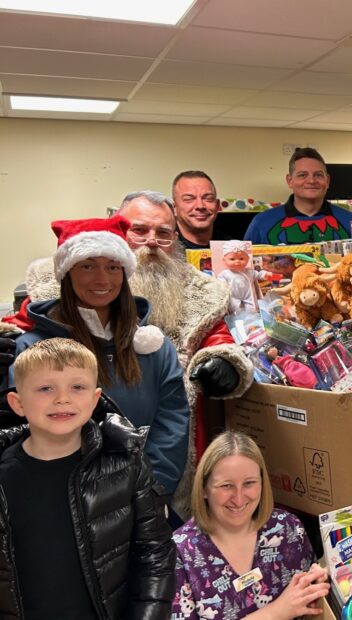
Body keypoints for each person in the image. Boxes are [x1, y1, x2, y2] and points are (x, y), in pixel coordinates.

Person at [2, 191, 254, 518]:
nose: (151, 241)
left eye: (163, 233)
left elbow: (212, 343)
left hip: (161, 476)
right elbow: (24, 326)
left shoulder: (199, 293)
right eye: (140, 230)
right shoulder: (44, 327)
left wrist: (225, 362)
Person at [1, 215, 190, 499]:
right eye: (87, 266)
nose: (102, 279)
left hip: (140, 495)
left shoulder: (153, 347)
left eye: (112, 267)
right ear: (67, 273)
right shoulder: (34, 349)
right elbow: (26, 434)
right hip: (62, 500)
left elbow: (172, 421)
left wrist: (152, 490)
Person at [0, 338, 175, 617]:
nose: (62, 398)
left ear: (95, 400)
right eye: (46, 388)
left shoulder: (126, 463)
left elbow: (154, 554)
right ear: (17, 403)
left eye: (77, 387)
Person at [173, 431, 329, 618]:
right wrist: (277, 612)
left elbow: (311, 609)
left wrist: (321, 586)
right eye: (226, 486)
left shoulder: (288, 528)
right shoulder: (180, 551)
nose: (238, 499)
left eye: (249, 483)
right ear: (204, 489)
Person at [244, 147, 352, 245]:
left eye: (318, 175)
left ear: (327, 181)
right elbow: (242, 267)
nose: (311, 180)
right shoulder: (261, 222)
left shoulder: (350, 221)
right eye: (302, 175)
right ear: (290, 181)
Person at [172, 170, 228, 250]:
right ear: (174, 207)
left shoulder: (233, 248)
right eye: (189, 199)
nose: (200, 206)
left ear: (217, 206)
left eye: (208, 198)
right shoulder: (163, 249)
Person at [218, 240, 268, 314]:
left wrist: (265, 274)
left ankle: (253, 319)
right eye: (232, 259)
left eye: (241, 259)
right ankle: (237, 320)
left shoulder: (249, 272)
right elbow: (220, 282)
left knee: (252, 309)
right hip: (233, 296)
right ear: (224, 260)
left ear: (248, 259)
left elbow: (259, 275)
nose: (237, 261)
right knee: (235, 310)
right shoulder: (225, 274)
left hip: (248, 295)